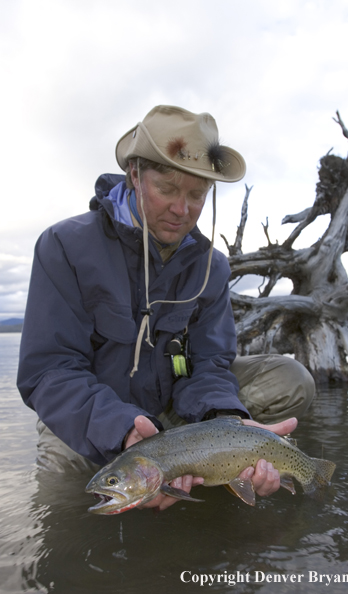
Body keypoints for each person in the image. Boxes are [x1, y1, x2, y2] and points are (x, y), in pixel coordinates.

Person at [17, 105, 315, 510]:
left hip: (178, 425)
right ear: (135, 175)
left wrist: (225, 425)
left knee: (290, 378)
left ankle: (221, 472)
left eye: (196, 194)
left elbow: (210, 364)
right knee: (66, 507)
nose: (182, 209)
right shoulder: (65, 247)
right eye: (168, 189)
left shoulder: (212, 267)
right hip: (93, 420)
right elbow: (49, 371)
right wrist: (121, 431)